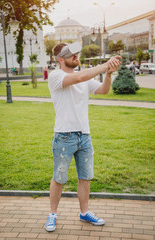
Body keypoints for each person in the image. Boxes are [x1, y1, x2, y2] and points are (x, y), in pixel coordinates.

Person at [45, 42, 121, 232]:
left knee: (85, 177)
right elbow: (78, 77)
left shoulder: (84, 77)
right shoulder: (56, 76)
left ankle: (84, 212)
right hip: (63, 136)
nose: (76, 56)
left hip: (84, 136)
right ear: (61, 60)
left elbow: (103, 90)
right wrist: (104, 65)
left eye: (76, 53)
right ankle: (52, 214)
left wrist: (109, 73)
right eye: (71, 55)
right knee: (59, 177)